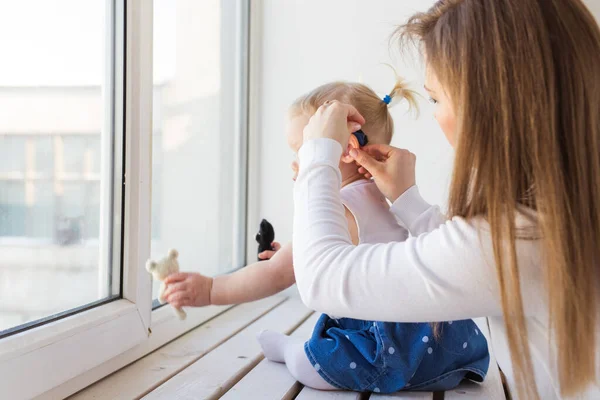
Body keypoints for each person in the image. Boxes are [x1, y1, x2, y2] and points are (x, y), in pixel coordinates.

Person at [292, 1, 600, 399]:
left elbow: (322, 278)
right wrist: (408, 201)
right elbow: (469, 260)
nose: (435, 116)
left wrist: (317, 154)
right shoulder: (558, 214)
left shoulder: (521, 237)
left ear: (489, 105)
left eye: (436, 99)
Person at [162, 79, 489, 393]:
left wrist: (209, 290)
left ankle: (290, 349)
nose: (297, 164)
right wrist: (294, 251)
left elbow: (278, 274)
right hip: (440, 349)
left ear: (345, 148)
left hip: (390, 352)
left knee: (308, 363)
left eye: (303, 151)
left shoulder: (341, 205)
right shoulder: (382, 196)